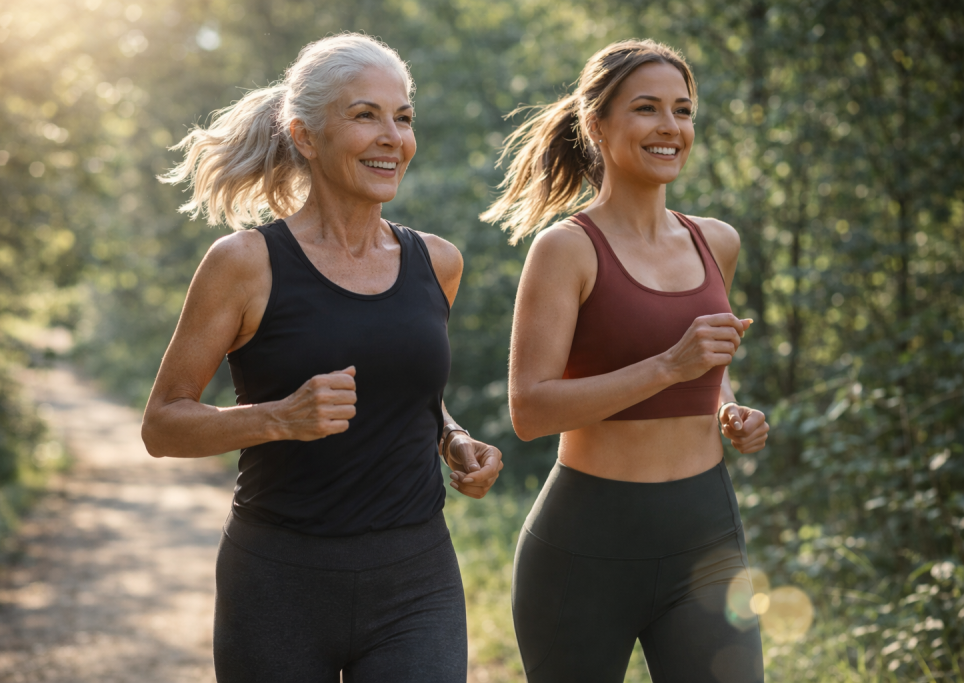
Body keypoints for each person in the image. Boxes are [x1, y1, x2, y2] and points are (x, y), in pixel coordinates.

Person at [142, 33, 503, 683]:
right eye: (366, 115)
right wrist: (278, 418)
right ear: (305, 136)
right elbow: (162, 425)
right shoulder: (244, 264)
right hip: (278, 583)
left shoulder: (438, 262)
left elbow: (407, 389)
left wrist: (452, 436)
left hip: (416, 579)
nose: (393, 137)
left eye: (403, 118)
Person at [481, 39, 769, 682]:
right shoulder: (566, 249)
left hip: (705, 539)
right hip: (585, 548)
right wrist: (669, 367)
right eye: (646, 108)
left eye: (682, 110)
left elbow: (708, 366)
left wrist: (729, 407)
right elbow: (530, 410)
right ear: (597, 125)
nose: (670, 126)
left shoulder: (717, 241)